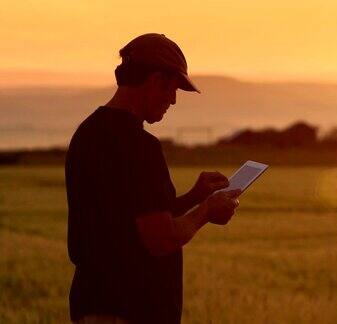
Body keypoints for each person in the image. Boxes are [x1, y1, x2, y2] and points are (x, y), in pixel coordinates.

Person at [65, 33, 241, 324]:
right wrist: (207, 211)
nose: (172, 100)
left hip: (93, 304)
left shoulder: (88, 133)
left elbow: (133, 219)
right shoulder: (139, 146)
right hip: (132, 309)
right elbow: (160, 239)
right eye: (171, 89)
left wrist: (193, 197)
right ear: (155, 79)